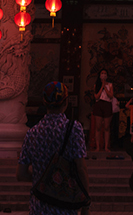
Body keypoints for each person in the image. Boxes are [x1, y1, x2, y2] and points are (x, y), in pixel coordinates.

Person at [17, 81, 90, 215]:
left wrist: (42, 177)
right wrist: (86, 203)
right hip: (66, 205)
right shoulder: (74, 129)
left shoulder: (32, 133)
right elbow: (81, 168)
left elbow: (21, 174)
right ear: (66, 102)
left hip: (39, 205)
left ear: (44, 103)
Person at [90, 70, 115, 153]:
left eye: (105, 73)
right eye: (102, 73)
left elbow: (111, 96)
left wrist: (105, 87)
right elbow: (96, 97)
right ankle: (97, 146)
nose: (103, 75)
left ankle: (106, 146)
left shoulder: (110, 85)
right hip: (99, 105)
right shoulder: (96, 85)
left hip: (107, 104)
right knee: (98, 127)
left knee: (107, 127)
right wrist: (101, 86)